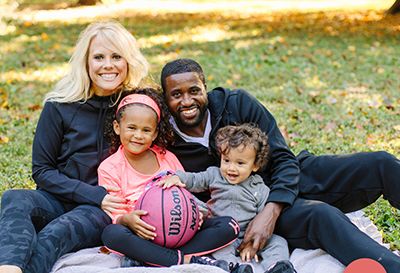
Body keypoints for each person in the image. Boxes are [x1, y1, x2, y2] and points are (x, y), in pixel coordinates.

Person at [160, 58, 400, 273]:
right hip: (248, 211)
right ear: (165, 98)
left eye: (194, 91)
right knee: (321, 215)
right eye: (176, 95)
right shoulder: (166, 140)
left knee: (381, 163)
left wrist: (272, 209)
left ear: (205, 88)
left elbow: (284, 157)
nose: (187, 101)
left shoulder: (236, 104)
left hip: (287, 178)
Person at [0, 21, 149, 273]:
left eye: (116, 56)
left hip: (102, 210)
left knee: (56, 233)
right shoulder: (59, 105)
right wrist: (93, 194)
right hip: (57, 198)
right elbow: (42, 170)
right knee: (14, 198)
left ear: (128, 61)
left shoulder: (137, 108)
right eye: (99, 57)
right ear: (86, 62)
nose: (108, 65)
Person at [99, 88, 252, 273]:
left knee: (229, 225)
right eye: (131, 128)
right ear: (117, 127)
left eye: (146, 130)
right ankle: (183, 259)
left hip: (180, 229)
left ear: (155, 133)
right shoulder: (110, 167)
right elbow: (114, 210)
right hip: (142, 233)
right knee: (111, 234)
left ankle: (150, 258)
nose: (138, 135)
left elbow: (185, 191)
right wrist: (126, 219)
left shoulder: (166, 157)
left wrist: (196, 213)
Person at [160, 123, 297, 273]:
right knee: (220, 249)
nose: (231, 168)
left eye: (240, 163)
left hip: (248, 234)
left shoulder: (259, 187)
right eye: (226, 160)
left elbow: (262, 218)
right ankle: (235, 268)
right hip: (222, 234)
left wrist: (252, 244)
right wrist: (177, 177)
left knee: (278, 242)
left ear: (255, 165)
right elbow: (194, 180)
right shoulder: (214, 175)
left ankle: (277, 267)